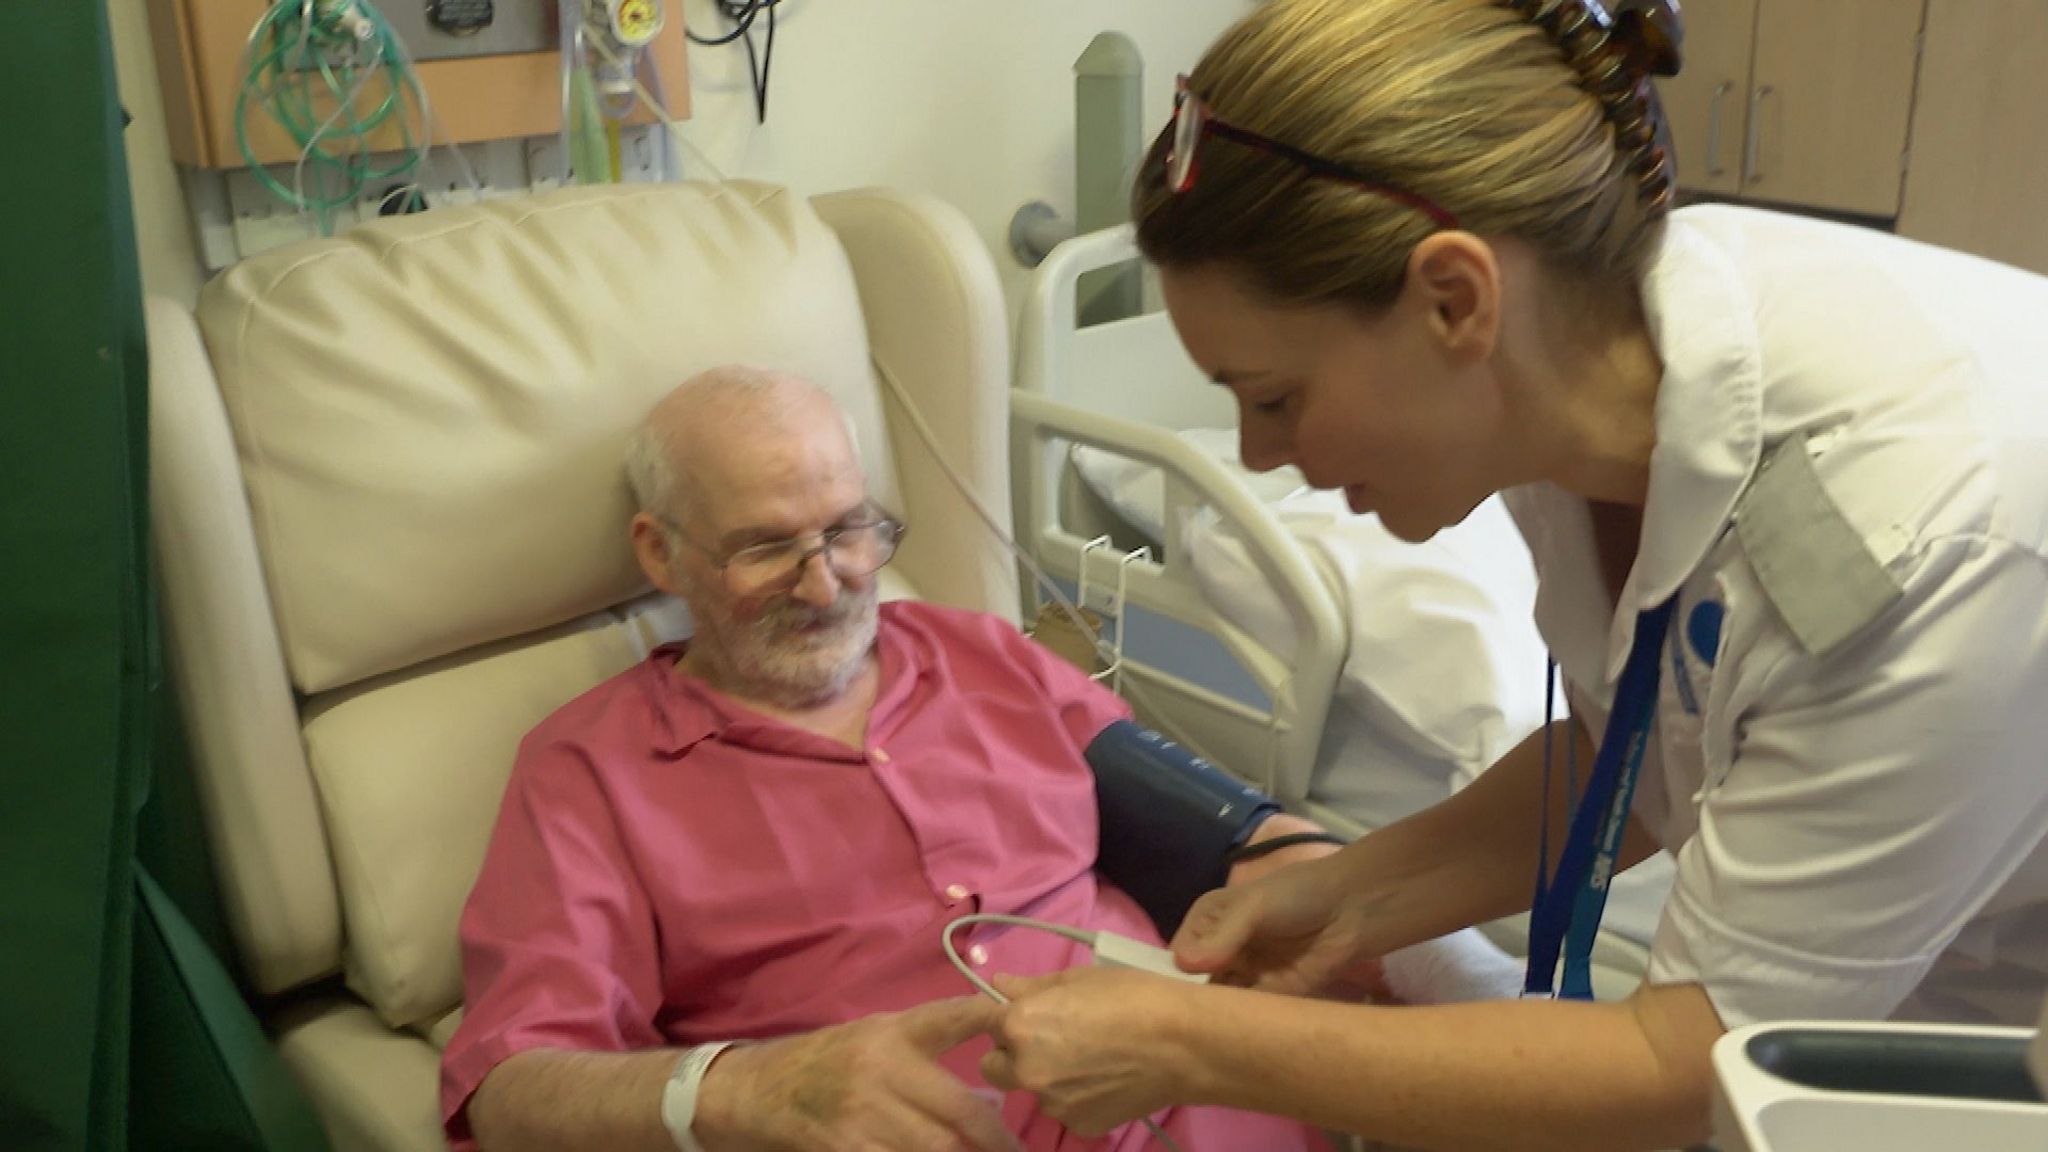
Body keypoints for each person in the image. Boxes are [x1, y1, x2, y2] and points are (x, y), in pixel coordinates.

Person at [979, 1, 2048, 1149]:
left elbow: (1687, 1068)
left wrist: (1185, 1046)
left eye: (1274, 397)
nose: (1254, 454)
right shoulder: (1582, 375)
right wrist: (1345, 898)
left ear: (1455, 300)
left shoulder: (1913, 539)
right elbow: (1643, 747)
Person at [437, 366, 1342, 1152]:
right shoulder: (590, 772)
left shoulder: (983, 655)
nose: (826, 582)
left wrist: (1289, 857)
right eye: (766, 548)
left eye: (847, 530)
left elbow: (1209, 821)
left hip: (1206, 1097)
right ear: (661, 553)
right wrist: (743, 1089)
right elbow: (508, 1093)